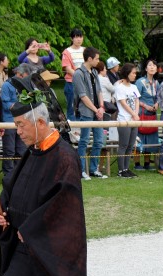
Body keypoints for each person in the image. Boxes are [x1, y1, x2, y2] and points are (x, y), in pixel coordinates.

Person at [0, 91, 87, 276]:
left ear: (39, 122)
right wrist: (3, 209)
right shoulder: (33, 152)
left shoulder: (64, 156)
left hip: (49, 246)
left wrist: (33, 228)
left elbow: (65, 203)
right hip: (23, 240)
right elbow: (15, 186)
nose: (18, 131)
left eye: (21, 125)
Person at [73, 47, 108, 180]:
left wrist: (101, 107)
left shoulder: (94, 72)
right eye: (97, 58)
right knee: (84, 141)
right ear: (89, 59)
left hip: (97, 111)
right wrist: (96, 110)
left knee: (99, 141)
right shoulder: (78, 74)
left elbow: (99, 91)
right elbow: (82, 96)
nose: (98, 61)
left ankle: (94, 169)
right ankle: (81, 170)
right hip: (86, 112)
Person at [0, 64, 34, 176]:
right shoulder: (6, 86)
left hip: (22, 122)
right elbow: (5, 105)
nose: (26, 79)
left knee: (21, 149)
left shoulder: (24, 85)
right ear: (19, 74)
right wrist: (20, 105)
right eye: (25, 77)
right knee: (9, 151)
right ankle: (9, 175)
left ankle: (20, 174)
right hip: (9, 121)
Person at [114, 63, 140, 178]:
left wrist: (136, 114)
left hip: (133, 120)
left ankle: (126, 168)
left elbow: (137, 100)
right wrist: (133, 114)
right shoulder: (120, 87)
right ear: (127, 73)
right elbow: (123, 103)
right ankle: (121, 170)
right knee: (123, 145)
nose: (135, 75)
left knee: (130, 146)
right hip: (124, 119)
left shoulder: (134, 87)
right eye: (133, 73)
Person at [134, 59, 159, 171]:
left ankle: (147, 163)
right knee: (139, 137)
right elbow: (135, 98)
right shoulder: (140, 82)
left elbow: (159, 97)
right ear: (145, 68)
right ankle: (137, 163)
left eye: (154, 65)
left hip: (152, 113)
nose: (152, 67)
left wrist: (157, 104)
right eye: (150, 65)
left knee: (150, 137)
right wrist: (145, 106)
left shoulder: (156, 83)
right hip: (141, 113)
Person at [62, 28, 85, 121]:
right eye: (76, 37)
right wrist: (79, 77)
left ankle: (82, 127)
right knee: (71, 107)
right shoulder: (67, 52)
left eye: (80, 37)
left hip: (84, 82)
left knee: (83, 106)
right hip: (71, 82)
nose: (79, 39)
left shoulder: (85, 50)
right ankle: (72, 129)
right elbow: (68, 68)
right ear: (72, 39)